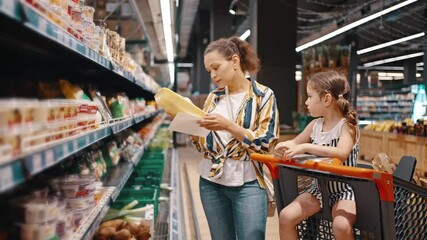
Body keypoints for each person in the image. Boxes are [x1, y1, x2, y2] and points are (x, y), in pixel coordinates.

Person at [190, 36, 279, 240]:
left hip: (247, 183)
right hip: (210, 182)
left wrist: (229, 126)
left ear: (235, 61)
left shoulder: (263, 96)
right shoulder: (214, 97)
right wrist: (190, 124)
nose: (213, 75)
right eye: (209, 71)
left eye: (216, 67)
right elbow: (203, 146)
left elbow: (266, 143)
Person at [273, 70, 359, 240]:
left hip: (344, 191)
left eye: (310, 96)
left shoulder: (347, 126)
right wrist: (281, 146)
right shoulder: (315, 125)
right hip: (318, 189)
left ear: (326, 99)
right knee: (286, 216)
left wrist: (306, 146)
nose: (306, 102)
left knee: (341, 225)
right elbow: (294, 143)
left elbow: (341, 153)